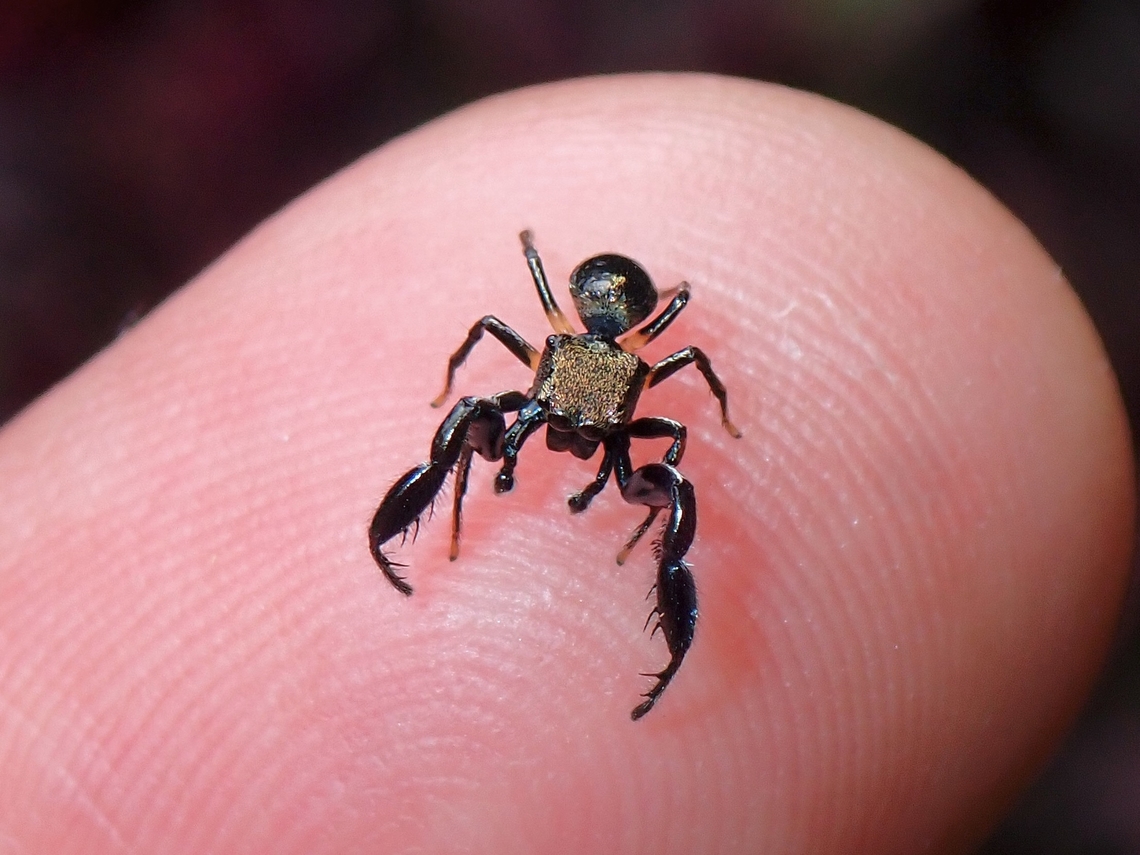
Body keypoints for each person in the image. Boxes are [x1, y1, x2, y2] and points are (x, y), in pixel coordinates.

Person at [0, 74, 1132, 852]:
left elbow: (668, 424)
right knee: (486, 427)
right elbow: (515, 381)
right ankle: (416, 516)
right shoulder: (544, 364)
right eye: (566, 427)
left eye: (586, 436)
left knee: (673, 480)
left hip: (602, 338)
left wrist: (681, 454)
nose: (571, 449)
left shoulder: (645, 371)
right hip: (575, 338)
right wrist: (465, 411)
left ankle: (644, 615)